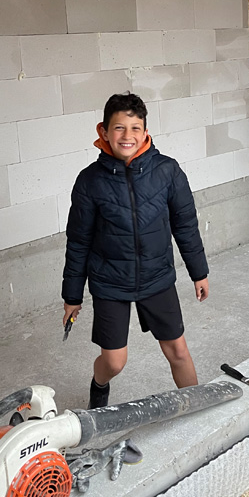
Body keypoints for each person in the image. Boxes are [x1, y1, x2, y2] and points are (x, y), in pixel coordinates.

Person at [61, 92, 209, 409]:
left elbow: (185, 225)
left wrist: (199, 272)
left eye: (135, 128)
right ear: (104, 131)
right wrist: (72, 296)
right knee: (114, 361)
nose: (127, 135)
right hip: (110, 281)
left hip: (156, 276)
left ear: (145, 132)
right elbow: (78, 241)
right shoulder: (89, 181)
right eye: (119, 127)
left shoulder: (168, 171)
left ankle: (197, 412)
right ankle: (99, 385)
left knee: (178, 351)